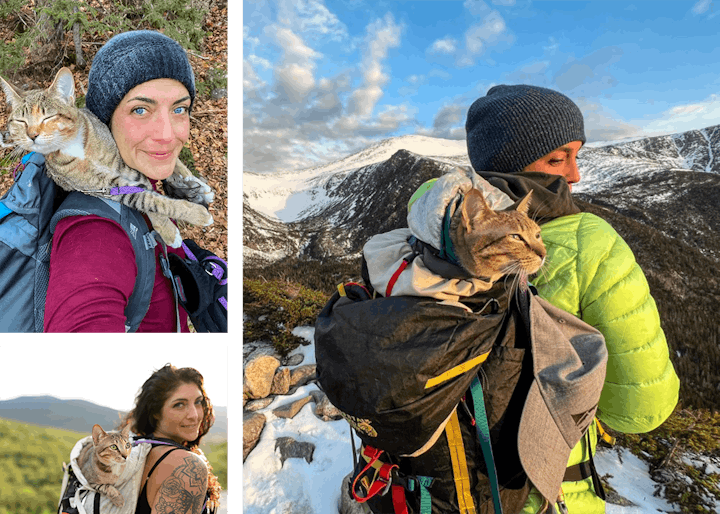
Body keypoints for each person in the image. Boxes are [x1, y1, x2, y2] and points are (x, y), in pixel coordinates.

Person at [463, 84, 680, 513]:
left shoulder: (432, 237)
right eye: (558, 158)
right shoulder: (590, 241)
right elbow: (641, 411)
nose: (575, 175)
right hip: (545, 492)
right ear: (511, 162)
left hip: (446, 483)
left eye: (577, 156)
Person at [43, 30, 220, 332]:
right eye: (140, 109)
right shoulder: (94, 232)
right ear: (104, 119)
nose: (167, 133)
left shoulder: (142, 180)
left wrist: (187, 254)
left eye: (180, 109)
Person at [124, 364, 222, 513]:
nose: (194, 415)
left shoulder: (137, 450)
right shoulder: (186, 466)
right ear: (156, 412)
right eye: (179, 405)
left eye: (198, 402)